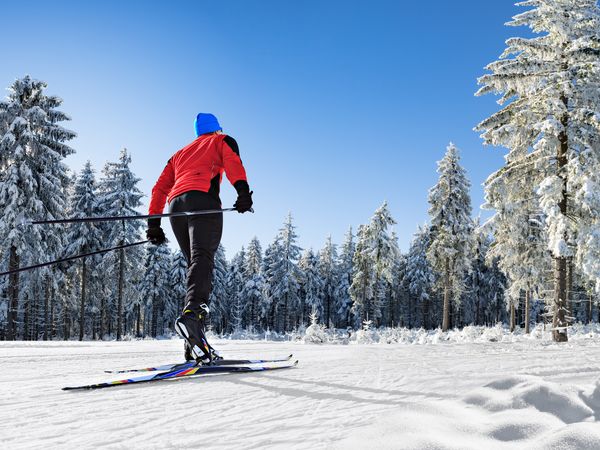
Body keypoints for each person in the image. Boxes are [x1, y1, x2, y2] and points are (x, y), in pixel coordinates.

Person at [146, 113, 253, 363]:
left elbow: (159, 188)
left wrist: (154, 224)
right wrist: (243, 193)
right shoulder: (221, 140)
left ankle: (194, 345)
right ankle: (193, 318)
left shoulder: (179, 154)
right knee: (202, 261)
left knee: (196, 267)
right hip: (203, 201)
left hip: (176, 208)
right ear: (216, 129)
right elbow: (233, 163)